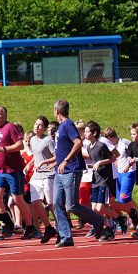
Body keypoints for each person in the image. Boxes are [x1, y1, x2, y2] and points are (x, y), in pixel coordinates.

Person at [52, 99, 105, 247]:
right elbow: (62, 149)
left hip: (71, 170)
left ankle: (98, 221)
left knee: (72, 205)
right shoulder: (61, 127)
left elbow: (78, 143)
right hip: (59, 171)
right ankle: (66, 236)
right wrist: (54, 162)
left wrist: (66, 161)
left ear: (56, 111)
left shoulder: (68, 125)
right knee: (57, 204)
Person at [0, 105, 34, 240]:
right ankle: (6, 225)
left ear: (5, 116)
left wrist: (4, 149)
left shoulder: (10, 127)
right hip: (0, 171)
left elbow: (20, 145)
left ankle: (30, 227)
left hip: (13, 171)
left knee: (17, 199)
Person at [84, 121, 119, 241]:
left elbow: (113, 158)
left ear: (94, 133)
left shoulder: (101, 145)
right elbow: (94, 162)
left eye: (87, 131)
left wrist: (101, 162)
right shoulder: (89, 147)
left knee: (100, 208)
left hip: (104, 179)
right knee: (94, 209)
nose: (85, 133)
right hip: (95, 179)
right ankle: (108, 228)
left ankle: (119, 218)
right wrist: (92, 166)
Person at [26, 116, 57, 243]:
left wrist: (44, 162)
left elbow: (56, 157)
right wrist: (29, 165)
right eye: (35, 124)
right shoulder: (32, 139)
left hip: (48, 174)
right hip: (37, 175)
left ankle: (61, 227)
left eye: (39, 125)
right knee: (35, 202)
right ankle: (48, 227)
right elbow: (36, 155)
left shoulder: (48, 140)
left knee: (50, 203)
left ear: (44, 128)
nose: (36, 127)